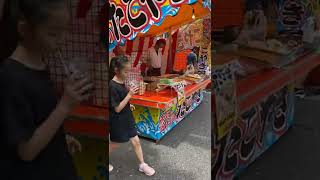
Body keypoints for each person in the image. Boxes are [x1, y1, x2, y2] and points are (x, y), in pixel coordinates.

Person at [0, 0, 93, 179]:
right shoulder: (10, 78)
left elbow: (38, 121)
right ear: (24, 29)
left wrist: (58, 140)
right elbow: (26, 151)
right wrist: (64, 105)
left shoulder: (41, 64)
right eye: (53, 33)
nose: (62, 39)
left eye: (65, 31)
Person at [109, 56, 156, 176]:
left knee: (136, 141)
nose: (127, 74)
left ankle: (142, 165)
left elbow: (122, 102)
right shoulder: (112, 86)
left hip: (127, 117)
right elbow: (117, 108)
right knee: (115, 144)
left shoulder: (121, 82)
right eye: (125, 71)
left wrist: (129, 106)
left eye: (128, 71)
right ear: (116, 70)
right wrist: (129, 95)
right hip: (118, 120)